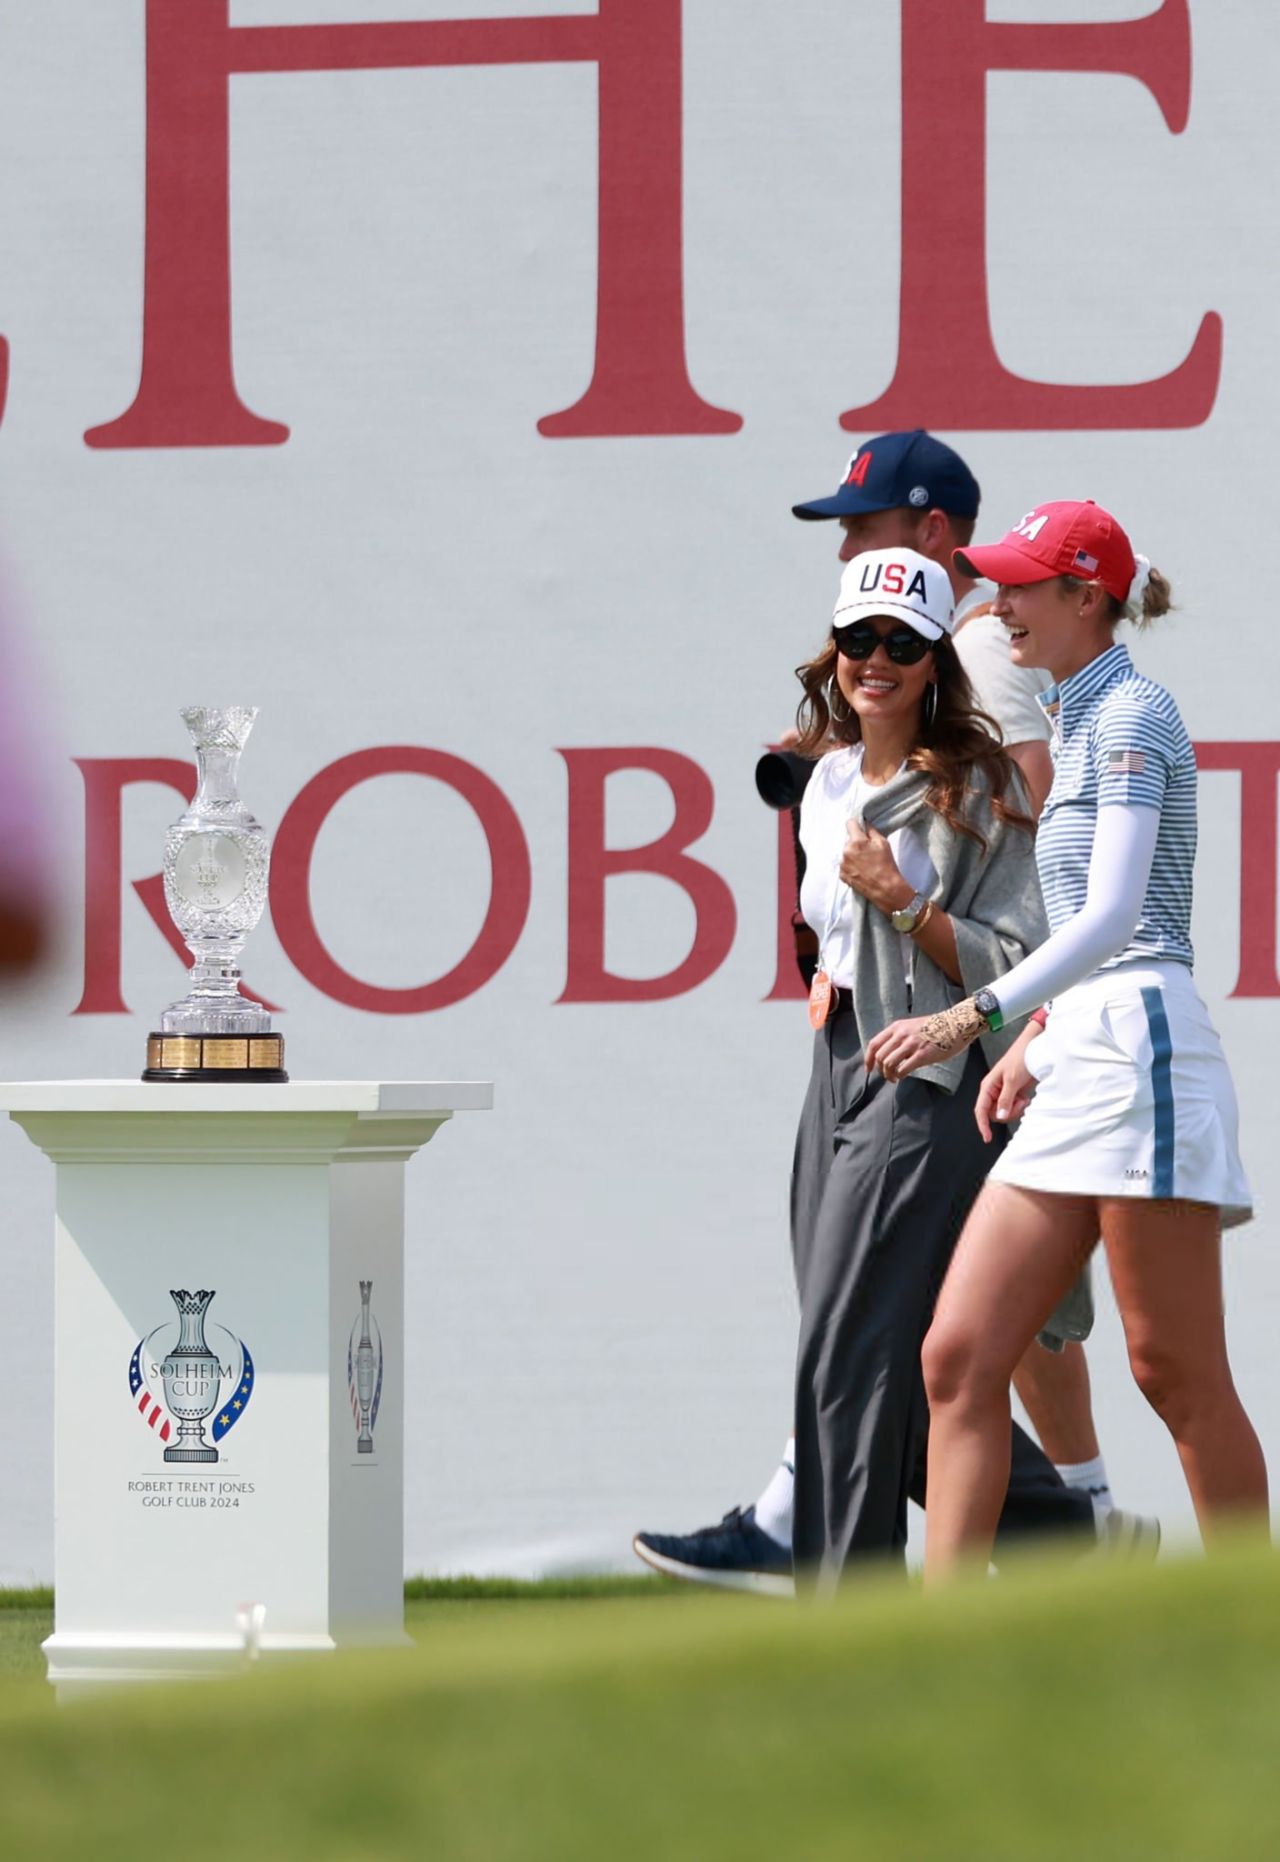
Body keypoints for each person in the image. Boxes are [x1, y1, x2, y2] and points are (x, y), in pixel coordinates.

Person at [633, 437, 1128, 1593]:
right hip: (839, 1061)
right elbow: (826, 911)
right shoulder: (822, 783)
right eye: (858, 638)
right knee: (871, 1350)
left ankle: (844, 1605)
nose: (877, 660)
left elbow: (1027, 944)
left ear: (931, 652)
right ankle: (1057, 1533)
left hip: (939, 1072)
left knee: (852, 1348)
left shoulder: (980, 779)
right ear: (832, 649)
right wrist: (829, 961)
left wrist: (903, 910)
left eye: (902, 642)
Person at [864, 499, 1269, 1580]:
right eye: (994, 584)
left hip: (1142, 1047)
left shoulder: (1132, 713)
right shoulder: (1073, 715)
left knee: (1170, 1369)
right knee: (956, 1355)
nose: (996, 606)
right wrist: (1036, 1034)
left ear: (1085, 597)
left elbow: (1112, 916)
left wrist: (975, 1013)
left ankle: (1247, 1626)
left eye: (1019, 586)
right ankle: (941, 1647)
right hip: (1081, 1042)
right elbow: (1082, 930)